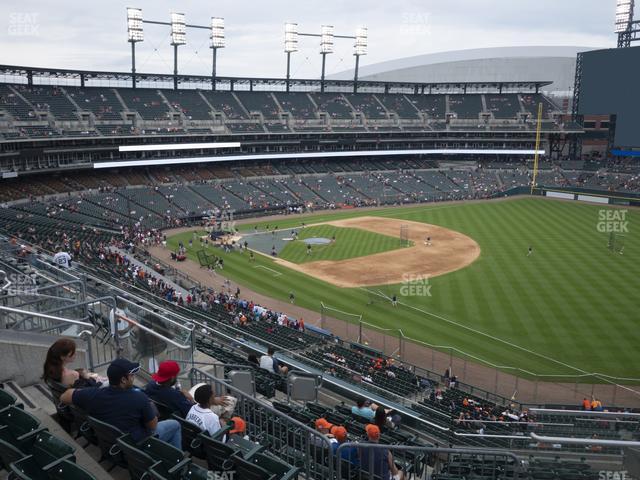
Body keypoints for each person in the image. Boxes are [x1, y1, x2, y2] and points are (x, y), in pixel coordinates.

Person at [60, 358, 182, 449]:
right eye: (132, 375)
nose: (133, 377)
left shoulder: (93, 394)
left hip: (112, 443)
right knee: (175, 424)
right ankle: (177, 462)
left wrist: (86, 393)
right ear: (123, 380)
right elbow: (153, 427)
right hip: (137, 444)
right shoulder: (140, 398)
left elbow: (64, 397)